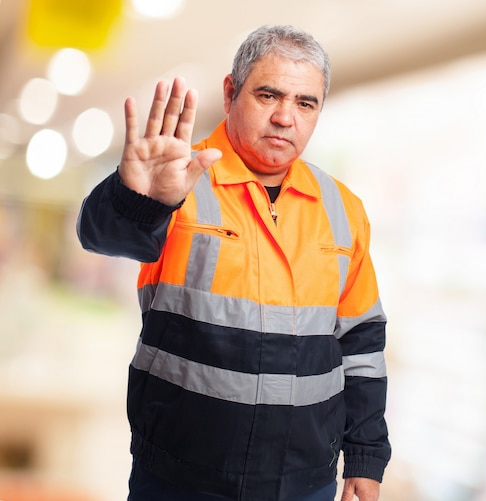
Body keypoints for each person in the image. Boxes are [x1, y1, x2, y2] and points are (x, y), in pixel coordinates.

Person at [77, 25, 391, 501]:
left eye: (306, 103)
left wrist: (366, 456)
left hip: (303, 482)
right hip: (181, 477)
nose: (286, 117)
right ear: (230, 93)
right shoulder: (179, 180)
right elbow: (105, 235)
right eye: (269, 95)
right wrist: (140, 200)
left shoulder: (343, 208)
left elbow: (362, 342)